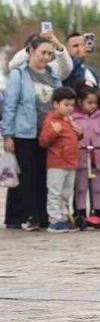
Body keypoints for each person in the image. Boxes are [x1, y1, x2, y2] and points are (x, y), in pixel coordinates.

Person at [3, 34, 62, 230]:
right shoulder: (18, 74)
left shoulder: (53, 75)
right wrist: (8, 134)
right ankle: (29, 216)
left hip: (48, 134)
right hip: (25, 133)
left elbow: (60, 104)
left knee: (43, 175)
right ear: (30, 51)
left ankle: (42, 214)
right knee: (26, 175)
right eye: (42, 52)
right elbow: (10, 105)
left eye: (49, 53)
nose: (46, 57)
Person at [70, 87, 100, 230]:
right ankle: (81, 213)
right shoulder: (73, 118)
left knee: (97, 189)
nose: (93, 106)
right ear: (80, 102)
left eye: (95, 103)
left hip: (98, 159)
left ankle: (97, 212)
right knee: (81, 188)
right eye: (89, 102)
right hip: (81, 159)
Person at [39, 87, 81, 233]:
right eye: (66, 104)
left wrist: (79, 133)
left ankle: (64, 217)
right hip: (57, 163)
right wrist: (54, 132)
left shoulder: (69, 120)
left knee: (66, 193)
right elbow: (43, 141)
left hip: (71, 163)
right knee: (55, 193)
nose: (69, 108)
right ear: (56, 104)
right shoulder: (51, 120)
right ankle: (54, 220)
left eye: (71, 105)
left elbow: (72, 139)